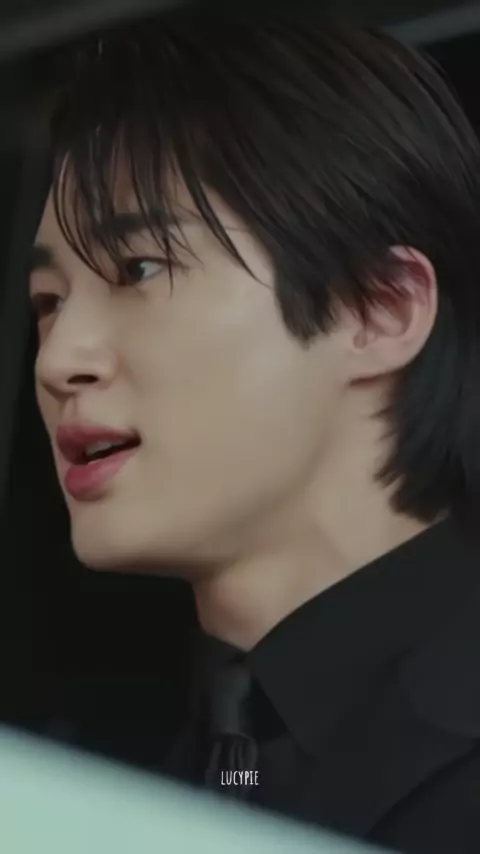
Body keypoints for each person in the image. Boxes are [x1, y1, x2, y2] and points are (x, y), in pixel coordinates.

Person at [29, 8, 480, 852]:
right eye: (48, 303)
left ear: (379, 309)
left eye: (139, 268)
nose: (59, 359)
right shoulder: (168, 773)